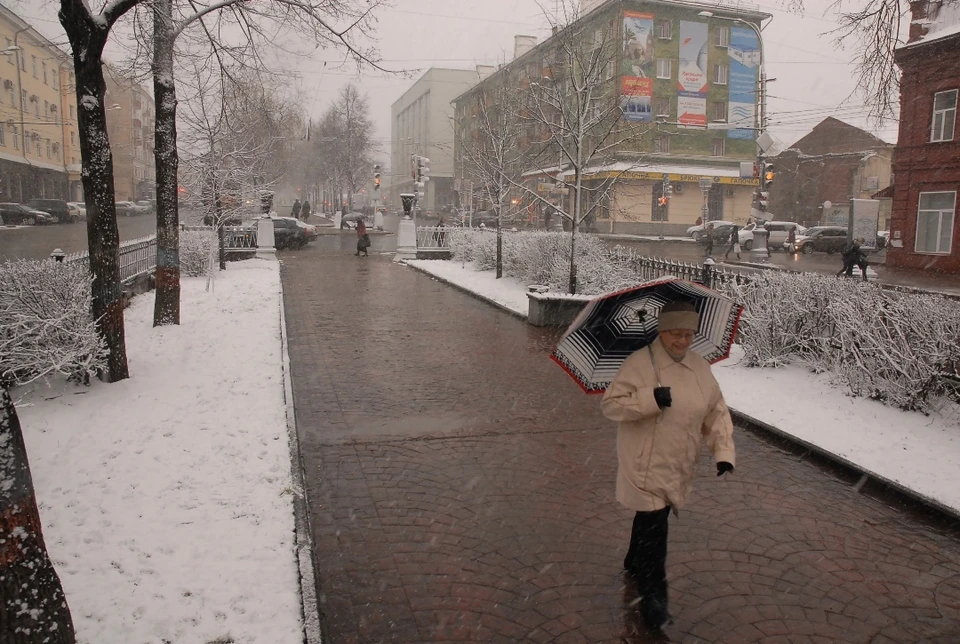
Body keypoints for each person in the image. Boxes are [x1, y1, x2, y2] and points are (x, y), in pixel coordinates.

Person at [601, 301, 736, 632]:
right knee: (655, 529)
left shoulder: (700, 368)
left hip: (678, 461)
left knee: (651, 519)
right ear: (662, 331)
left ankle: (633, 562)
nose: (683, 341)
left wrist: (723, 452)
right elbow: (611, 406)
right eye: (676, 333)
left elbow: (716, 411)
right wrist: (650, 399)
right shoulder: (638, 363)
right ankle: (653, 602)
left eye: (689, 334)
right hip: (643, 461)